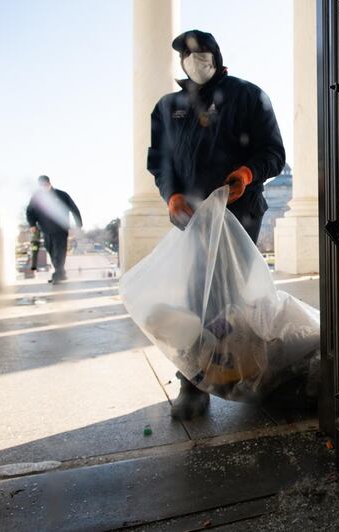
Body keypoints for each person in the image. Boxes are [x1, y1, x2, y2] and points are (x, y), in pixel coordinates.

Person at [147, 29, 286, 420]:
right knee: (195, 296)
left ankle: (239, 369)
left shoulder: (248, 96)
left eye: (202, 53)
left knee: (230, 296)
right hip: (190, 216)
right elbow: (161, 162)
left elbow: (273, 153)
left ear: (216, 56)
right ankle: (194, 382)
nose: (195, 60)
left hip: (238, 212)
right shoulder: (167, 107)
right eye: (187, 55)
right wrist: (171, 195)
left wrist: (247, 171)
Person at [26, 175, 82, 284]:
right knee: (51, 251)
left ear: (49, 183)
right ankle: (61, 273)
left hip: (61, 229)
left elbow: (74, 208)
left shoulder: (61, 195)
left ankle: (57, 275)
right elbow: (30, 211)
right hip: (46, 230)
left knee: (59, 253)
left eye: (44, 184)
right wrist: (32, 224)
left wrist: (78, 224)